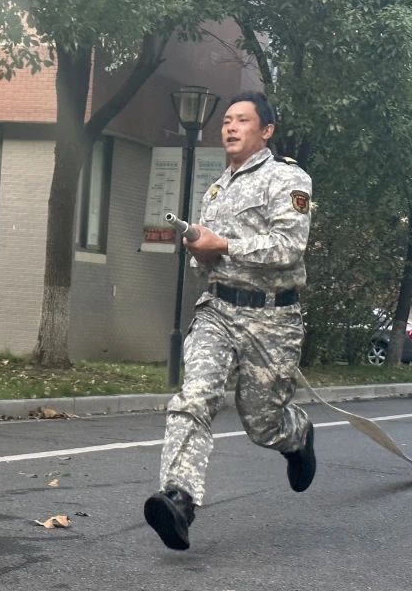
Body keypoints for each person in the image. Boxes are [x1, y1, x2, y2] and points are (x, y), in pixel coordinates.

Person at [143, 91, 314, 550]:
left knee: (262, 423)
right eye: (226, 121)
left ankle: (296, 436)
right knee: (194, 396)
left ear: (266, 131)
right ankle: (179, 499)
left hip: (272, 318)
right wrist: (200, 250)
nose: (231, 128)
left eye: (242, 120)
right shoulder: (216, 189)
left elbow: (288, 248)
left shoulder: (288, 178)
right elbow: (207, 262)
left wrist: (223, 245)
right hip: (218, 309)